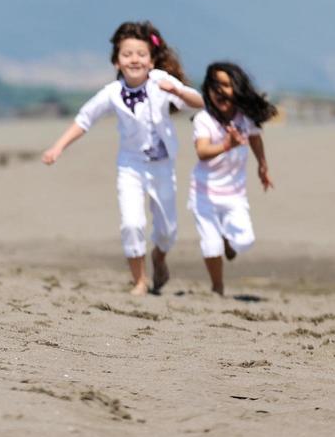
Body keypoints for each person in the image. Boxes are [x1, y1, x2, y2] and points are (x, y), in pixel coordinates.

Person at [41, 21, 204, 295]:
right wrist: (58, 147)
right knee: (132, 223)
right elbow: (85, 119)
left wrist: (177, 91)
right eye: (127, 54)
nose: (134, 60)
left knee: (167, 231)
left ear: (151, 60)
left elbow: (199, 102)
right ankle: (139, 280)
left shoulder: (162, 82)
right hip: (131, 167)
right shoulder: (111, 93)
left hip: (163, 166)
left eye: (141, 54)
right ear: (117, 61)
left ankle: (159, 258)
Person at [191, 61, 277, 295]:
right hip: (204, 194)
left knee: (245, 241)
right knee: (211, 245)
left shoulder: (244, 118)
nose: (220, 91)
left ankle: (229, 239)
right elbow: (202, 151)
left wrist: (262, 165)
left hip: (234, 194)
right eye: (215, 85)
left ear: (236, 89)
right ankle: (217, 287)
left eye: (226, 85)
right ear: (208, 90)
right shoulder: (204, 119)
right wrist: (226, 145)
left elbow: (256, 138)